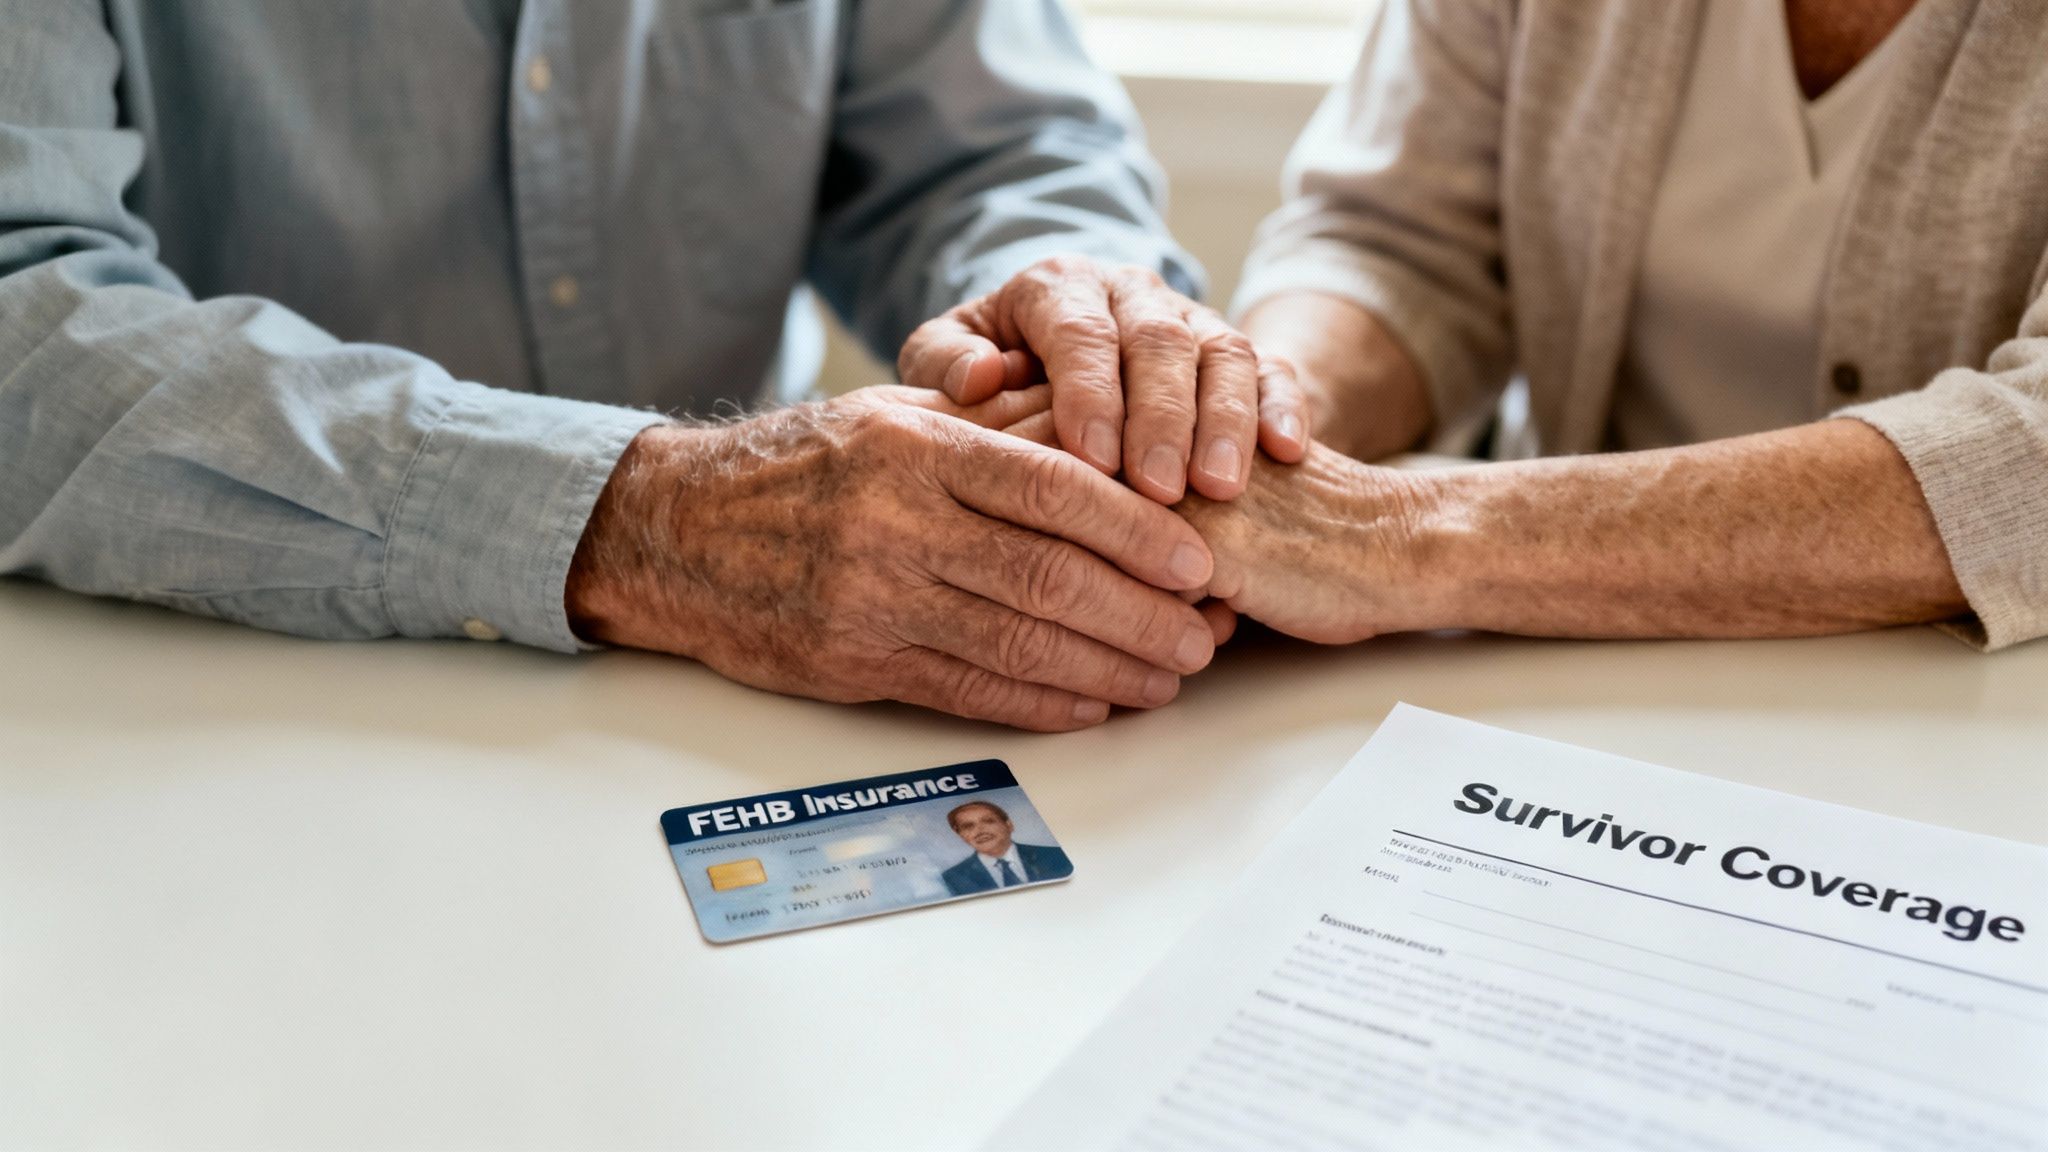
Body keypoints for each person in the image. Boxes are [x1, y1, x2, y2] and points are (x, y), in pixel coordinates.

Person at [0, 0, 1309, 733]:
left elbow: (995, 150)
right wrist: (642, 520)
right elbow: (23, 308)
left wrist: (1067, 308)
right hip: (192, 722)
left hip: (756, 703)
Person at [1165, 0, 2048, 651]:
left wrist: (1398, 535)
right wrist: (1245, 432)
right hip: (1556, 667)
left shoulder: (1412, 538)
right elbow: (1395, 244)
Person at [938, 800, 1073, 896]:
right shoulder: (954, 877)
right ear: (961, 836)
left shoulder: (1054, 855)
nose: (980, 830)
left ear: (1009, 825)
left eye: (989, 821)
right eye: (968, 826)